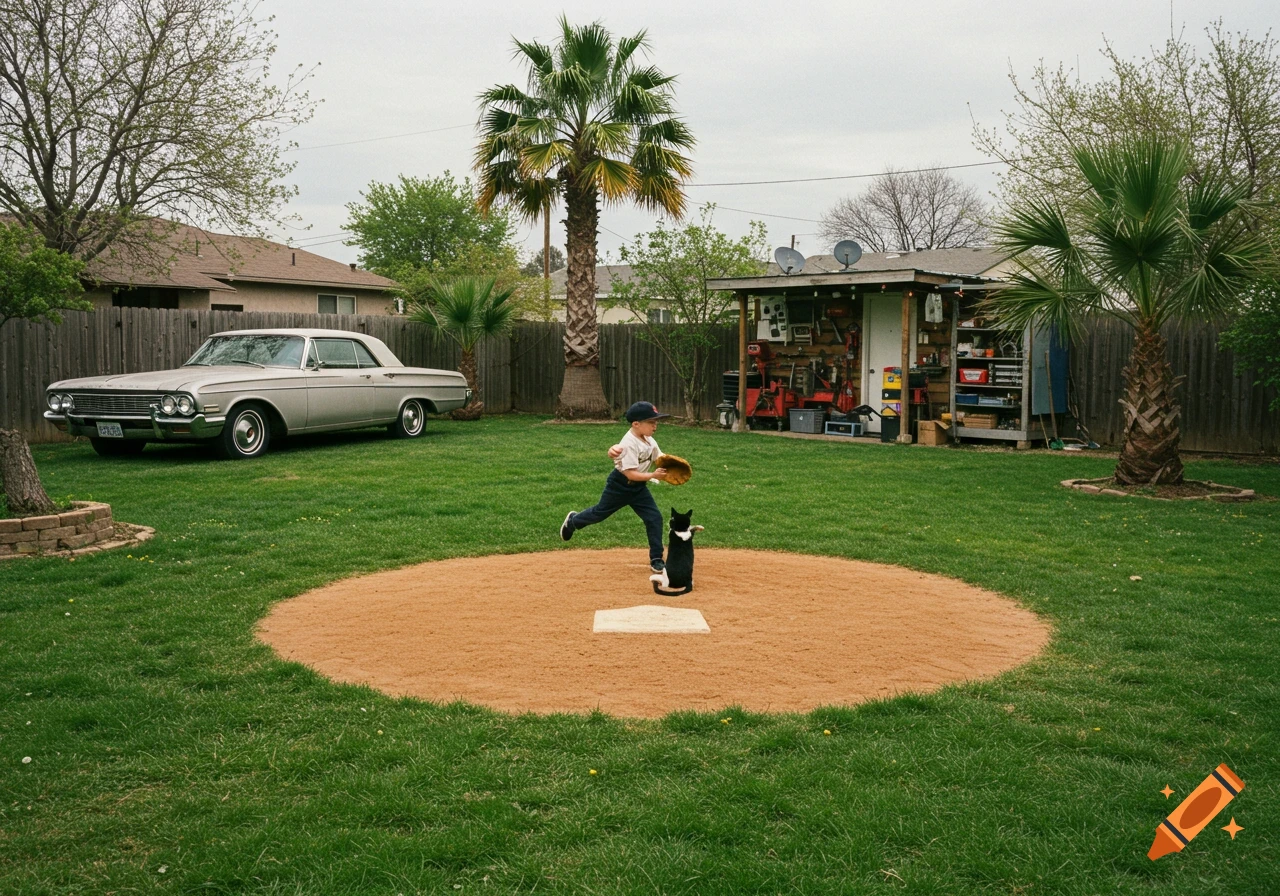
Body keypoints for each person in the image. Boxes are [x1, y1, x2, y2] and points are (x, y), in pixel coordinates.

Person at [560, 401, 670, 572]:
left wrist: (671, 464)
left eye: (656, 422)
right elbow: (630, 474)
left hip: (638, 489)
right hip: (619, 486)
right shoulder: (628, 444)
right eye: (651, 422)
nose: (655, 425)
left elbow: (659, 458)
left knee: (654, 518)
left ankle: (656, 558)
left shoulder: (649, 440)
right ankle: (573, 522)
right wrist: (653, 475)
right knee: (599, 513)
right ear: (636, 424)